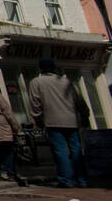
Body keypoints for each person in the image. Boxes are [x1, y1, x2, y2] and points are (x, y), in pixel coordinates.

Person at [28, 58, 89, 188]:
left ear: (41, 68)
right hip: (72, 120)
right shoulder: (66, 81)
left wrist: (38, 119)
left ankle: (66, 180)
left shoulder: (37, 82)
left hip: (52, 121)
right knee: (76, 150)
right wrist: (85, 116)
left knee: (60, 150)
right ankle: (82, 179)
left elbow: (35, 103)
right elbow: (79, 100)